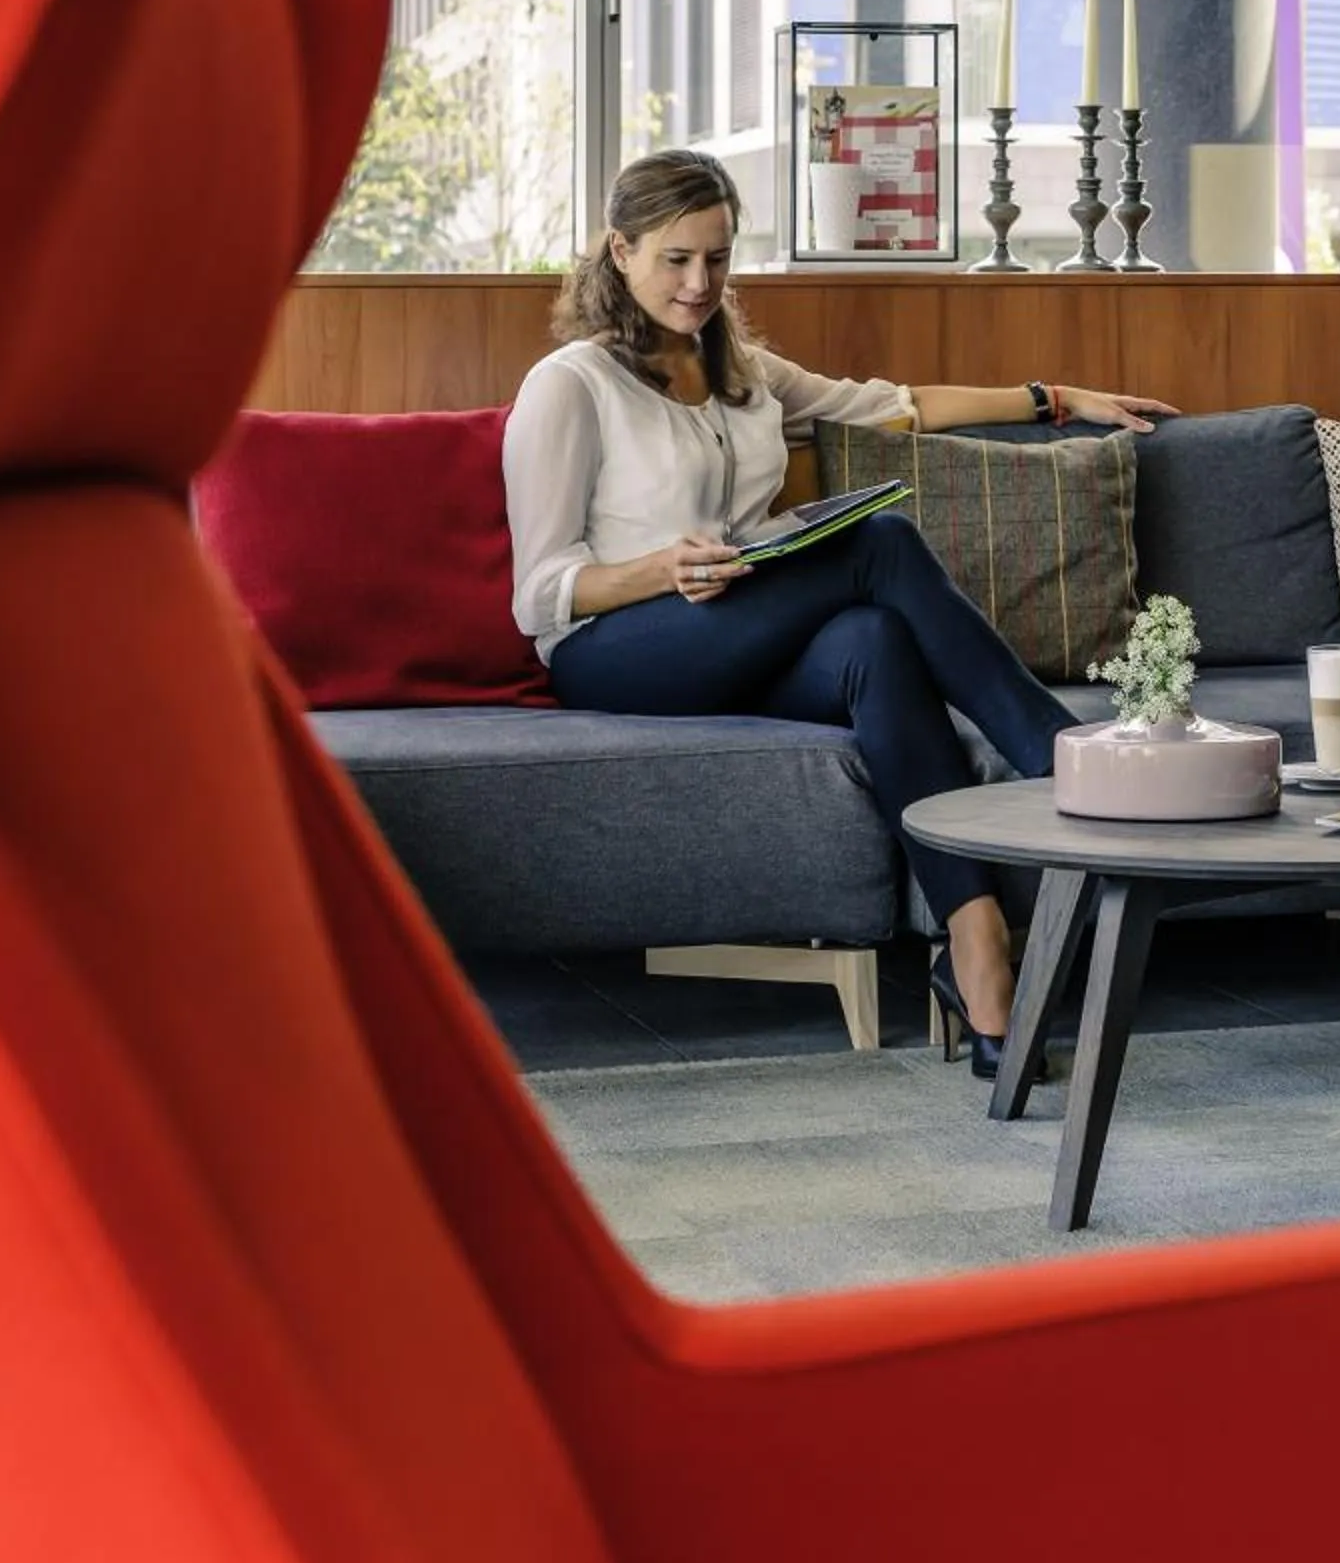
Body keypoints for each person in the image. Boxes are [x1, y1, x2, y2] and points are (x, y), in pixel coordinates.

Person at [503, 149, 1177, 1077]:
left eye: (719, 259)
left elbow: (891, 407)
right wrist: (661, 569)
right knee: (882, 545)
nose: (701, 284)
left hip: (736, 631)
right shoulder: (571, 384)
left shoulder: (743, 373)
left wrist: (1052, 399)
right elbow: (541, 591)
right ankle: (1075, 767)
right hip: (615, 648)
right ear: (620, 251)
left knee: (875, 639)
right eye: (676, 260)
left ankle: (976, 948)